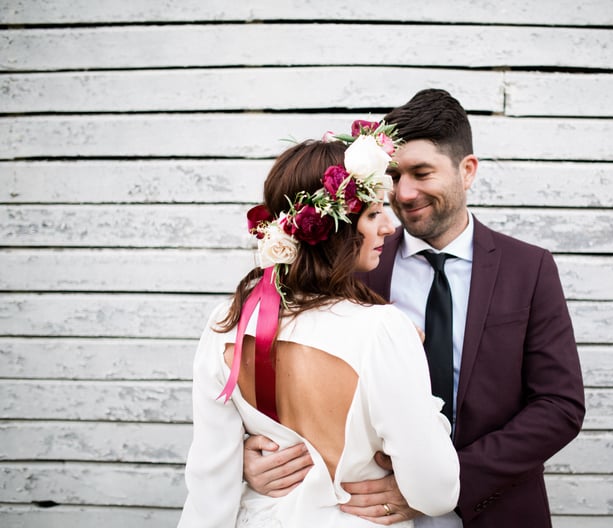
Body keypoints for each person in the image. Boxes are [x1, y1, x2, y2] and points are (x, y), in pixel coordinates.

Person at [242, 89, 586, 527]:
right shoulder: (352, 264)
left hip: (495, 505)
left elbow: (559, 405)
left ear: (468, 171)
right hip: (363, 510)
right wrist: (248, 454)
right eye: (394, 176)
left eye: (422, 173)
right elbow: (287, 371)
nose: (404, 194)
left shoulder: (529, 267)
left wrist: (449, 485)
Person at [178, 121, 460, 527]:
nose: (389, 227)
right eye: (375, 213)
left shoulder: (227, 321)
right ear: (336, 227)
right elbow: (436, 492)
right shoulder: (382, 330)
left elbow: (208, 489)